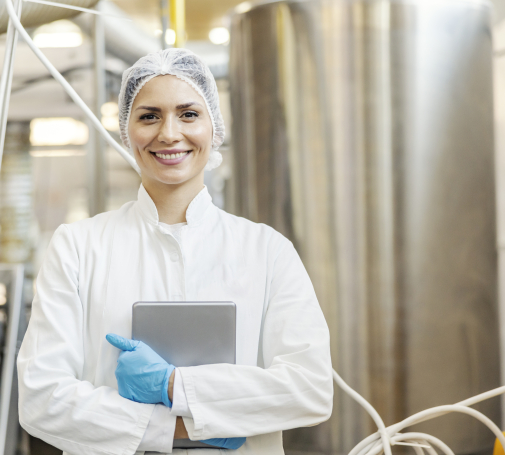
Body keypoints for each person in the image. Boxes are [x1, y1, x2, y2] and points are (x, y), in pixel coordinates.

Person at [17, 48, 333, 454]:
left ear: (214, 128)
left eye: (188, 114)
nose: (168, 133)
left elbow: (309, 388)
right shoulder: (78, 247)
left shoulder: (267, 250)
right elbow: (42, 398)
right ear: (126, 130)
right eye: (149, 115)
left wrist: (172, 386)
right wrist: (176, 428)